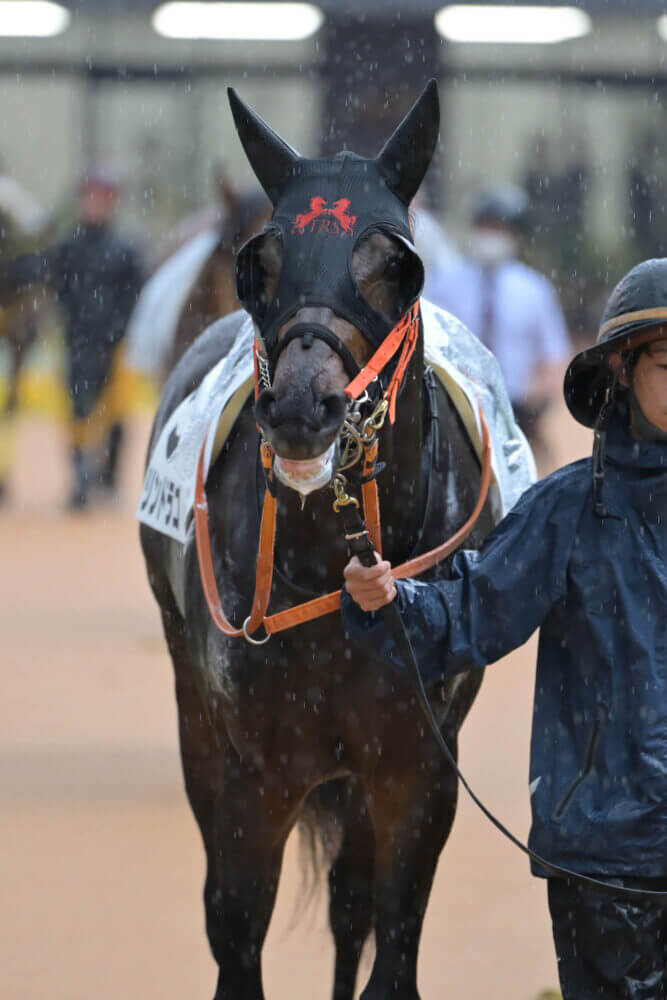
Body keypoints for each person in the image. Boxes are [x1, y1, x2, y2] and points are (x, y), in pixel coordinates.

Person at [341, 257, 667, 999]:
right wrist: (386, 601)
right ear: (620, 367)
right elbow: (466, 616)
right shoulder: (565, 513)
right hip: (603, 858)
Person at [1, 165, 145, 509]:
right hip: (77, 339)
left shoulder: (126, 249)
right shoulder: (68, 246)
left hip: (117, 343)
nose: (96, 203)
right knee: (77, 409)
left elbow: (138, 292)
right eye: (91, 195)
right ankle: (81, 481)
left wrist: (121, 327)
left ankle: (108, 479)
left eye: (103, 196)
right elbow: (38, 272)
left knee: (115, 412)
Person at [426, 184, 570, 455]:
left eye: (501, 227)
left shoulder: (536, 290)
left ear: (516, 234)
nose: (493, 234)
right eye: (487, 225)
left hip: (515, 415)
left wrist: (535, 403)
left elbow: (554, 357)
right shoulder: (444, 283)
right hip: (452, 408)